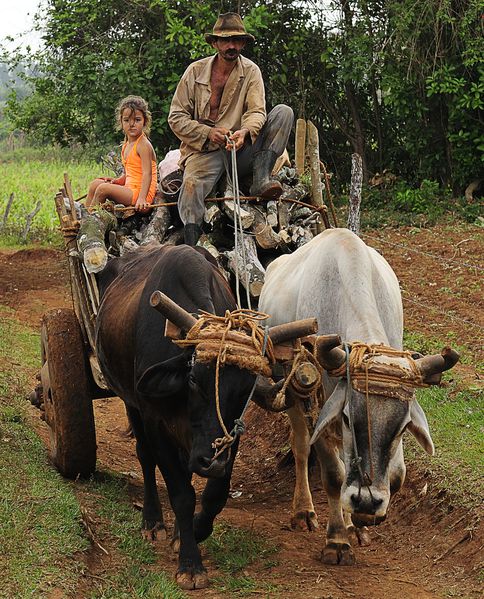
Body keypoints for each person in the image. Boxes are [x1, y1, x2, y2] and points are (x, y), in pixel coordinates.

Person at [168, 12, 294, 246]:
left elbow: (257, 112)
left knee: (284, 112)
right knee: (191, 186)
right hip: (204, 151)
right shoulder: (194, 72)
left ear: (243, 43)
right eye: (225, 40)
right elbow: (175, 117)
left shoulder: (251, 71)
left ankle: (261, 177)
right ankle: (192, 246)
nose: (231, 46)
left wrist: (244, 132)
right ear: (215, 43)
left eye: (237, 40)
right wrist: (207, 133)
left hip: (241, 150)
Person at [86, 96, 157, 213]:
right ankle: (85, 213)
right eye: (127, 120)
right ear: (121, 121)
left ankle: (90, 219)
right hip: (130, 189)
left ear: (145, 121)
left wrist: (142, 198)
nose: (132, 124)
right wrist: (119, 180)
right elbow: (132, 171)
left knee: (103, 189)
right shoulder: (127, 144)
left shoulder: (143, 145)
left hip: (141, 195)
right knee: (95, 184)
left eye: (137, 120)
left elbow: (147, 174)